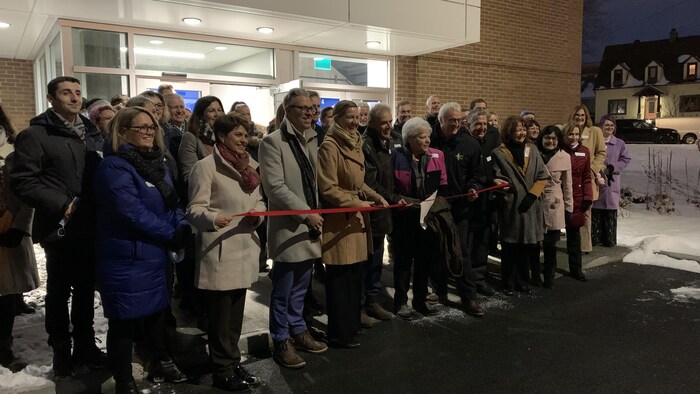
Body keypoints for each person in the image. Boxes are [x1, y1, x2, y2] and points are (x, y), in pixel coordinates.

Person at [10, 76, 107, 378]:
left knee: (84, 292)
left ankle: (85, 346)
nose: (74, 98)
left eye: (78, 93)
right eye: (66, 93)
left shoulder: (92, 133)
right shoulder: (36, 134)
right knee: (59, 291)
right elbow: (23, 181)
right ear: (51, 98)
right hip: (60, 227)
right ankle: (61, 351)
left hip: (90, 225)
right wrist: (62, 203)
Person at [94, 106, 189, 393]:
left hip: (155, 254)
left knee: (157, 314)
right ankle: (124, 380)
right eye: (141, 128)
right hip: (128, 256)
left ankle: (160, 359)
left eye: (151, 127)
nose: (149, 132)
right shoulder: (114, 166)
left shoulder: (157, 163)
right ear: (122, 132)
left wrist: (181, 225)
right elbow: (130, 211)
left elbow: (172, 202)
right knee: (123, 321)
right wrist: (170, 232)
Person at [187, 114, 265, 392]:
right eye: (238, 135)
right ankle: (222, 369)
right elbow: (194, 209)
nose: (244, 140)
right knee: (220, 319)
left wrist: (258, 216)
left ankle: (232, 362)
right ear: (222, 137)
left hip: (244, 247)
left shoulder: (250, 168)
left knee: (234, 316)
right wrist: (213, 218)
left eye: (245, 135)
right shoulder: (205, 167)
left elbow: (259, 201)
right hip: (220, 250)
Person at [258, 88, 328, 369]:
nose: (310, 114)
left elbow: (314, 181)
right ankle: (281, 339)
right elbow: (275, 187)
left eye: (314, 109)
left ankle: (299, 330)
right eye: (303, 109)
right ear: (287, 110)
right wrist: (306, 214)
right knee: (283, 289)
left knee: (302, 286)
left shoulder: (312, 138)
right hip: (290, 226)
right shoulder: (273, 142)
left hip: (311, 224)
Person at [318, 100, 387, 348]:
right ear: (336, 118)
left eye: (357, 116)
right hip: (340, 223)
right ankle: (339, 334)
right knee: (340, 283)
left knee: (354, 279)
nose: (354, 121)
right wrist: (357, 204)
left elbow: (359, 183)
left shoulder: (355, 142)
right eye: (349, 117)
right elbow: (328, 188)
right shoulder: (330, 146)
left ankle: (351, 327)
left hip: (356, 221)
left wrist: (376, 196)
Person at [430, 103, 486, 316]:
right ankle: (439, 291)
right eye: (450, 120)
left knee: (460, 252)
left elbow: (478, 175)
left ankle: (469, 297)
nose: (455, 124)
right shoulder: (429, 139)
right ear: (441, 120)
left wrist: (474, 188)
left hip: (459, 209)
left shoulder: (470, 144)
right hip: (434, 208)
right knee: (436, 251)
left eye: (458, 120)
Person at [391, 117, 449, 318]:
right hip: (405, 218)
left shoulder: (437, 155)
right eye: (421, 137)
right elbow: (391, 188)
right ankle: (400, 302)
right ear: (409, 139)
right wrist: (401, 199)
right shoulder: (396, 156)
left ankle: (420, 300)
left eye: (428, 136)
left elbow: (442, 185)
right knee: (403, 262)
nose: (427, 141)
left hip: (428, 217)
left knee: (424, 261)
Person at [0, 102, 39, 372]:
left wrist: (19, 225)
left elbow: (26, 190)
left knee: (6, 294)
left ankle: (4, 347)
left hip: (9, 228)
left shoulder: (13, 150)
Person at [491, 115, 549, 295]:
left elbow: (543, 175)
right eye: (518, 129)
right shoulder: (498, 153)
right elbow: (496, 175)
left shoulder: (533, 150)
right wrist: (500, 184)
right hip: (511, 206)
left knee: (525, 246)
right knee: (509, 246)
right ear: (509, 131)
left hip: (530, 205)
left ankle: (523, 281)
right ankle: (507, 282)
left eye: (524, 129)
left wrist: (532, 195)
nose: (522, 133)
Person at [361, 104, 403, 326]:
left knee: (376, 260)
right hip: (374, 211)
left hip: (385, 210)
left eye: (390, 121)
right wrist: (392, 198)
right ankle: (362, 305)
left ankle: (372, 301)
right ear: (371, 123)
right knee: (367, 261)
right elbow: (369, 181)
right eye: (384, 122)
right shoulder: (366, 145)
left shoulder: (390, 141)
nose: (389, 126)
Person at [463, 108, 499, 296]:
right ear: (468, 124)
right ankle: (467, 281)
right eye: (478, 124)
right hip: (467, 204)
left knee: (482, 244)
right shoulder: (464, 144)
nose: (482, 128)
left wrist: (494, 181)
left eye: (485, 124)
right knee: (467, 246)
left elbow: (489, 172)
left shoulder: (488, 145)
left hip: (485, 204)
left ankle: (479, 278)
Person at [534, 125, 573, 288]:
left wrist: (569, 207)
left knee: (551, 244)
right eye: (547, 138)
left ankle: (549, 276)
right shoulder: (533, 153)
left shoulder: (565, 156)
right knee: (534, 243)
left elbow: (568, 184)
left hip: (554, 203)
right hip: (535, 200)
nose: (550, 141)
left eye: (554, 138)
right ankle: (535, 274)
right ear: (541, 138)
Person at [567, 104, 606, 253]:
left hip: (586, 179)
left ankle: (585, 246)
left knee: (586, 213)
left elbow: (601, 152)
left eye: (583, 115)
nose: (580, 118)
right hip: (571, 179)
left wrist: (592, 169)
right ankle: (572, 245)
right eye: (577, 115)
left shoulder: (594, 131)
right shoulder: (569, 131)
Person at [592, 115, 631, 247]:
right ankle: (595, 238)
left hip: (612, 180)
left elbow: (626, 159)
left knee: (610, 209)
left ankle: (609, 239)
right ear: (601, 126)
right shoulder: (596, 141)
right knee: (596, 208)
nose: (609, 127)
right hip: (597, 179)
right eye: (606, 125)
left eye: (612, 125)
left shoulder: (619, 143)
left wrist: (613, 167)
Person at [561, 121, 593, 281]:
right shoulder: (559, 150)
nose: (573, 137)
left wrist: (588, 197)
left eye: (576, 134)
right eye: (570, 134)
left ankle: (576, 269)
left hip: (577, 197)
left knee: (574, 236)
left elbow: (587, 176)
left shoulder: (584, 151)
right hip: (560, 197)